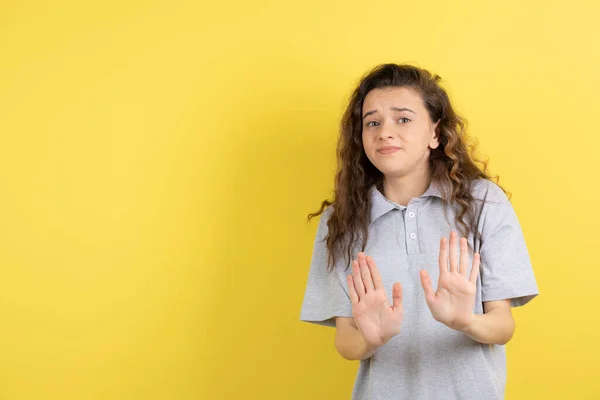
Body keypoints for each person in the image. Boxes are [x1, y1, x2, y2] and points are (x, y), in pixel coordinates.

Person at [299, 63, 538, 400]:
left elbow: (502, 326)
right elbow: (346, 341)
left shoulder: (483, 201)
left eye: (403, 119)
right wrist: (371, 337)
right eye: (373, 122)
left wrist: (465, 321)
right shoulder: (341, 220)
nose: (385, 132)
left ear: (435, 134)